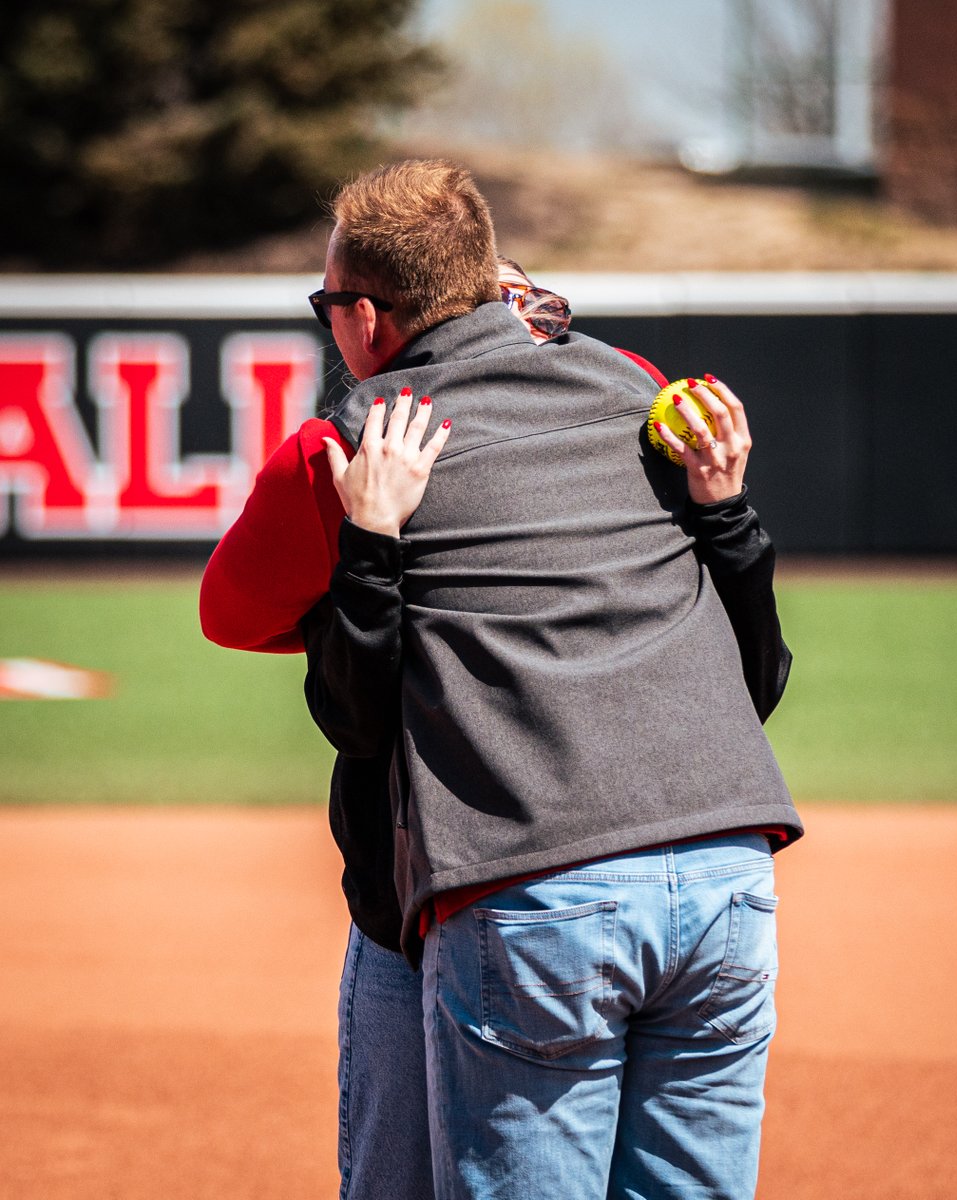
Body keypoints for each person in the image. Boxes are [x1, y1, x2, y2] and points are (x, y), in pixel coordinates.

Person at [302, 158, 802, 1200]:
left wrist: (372, 541)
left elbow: (350, 711)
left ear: (363, 316)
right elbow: (752, 682)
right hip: (726, 878)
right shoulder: (635, 393)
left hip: (536, 893)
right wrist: (727, 516)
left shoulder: (369, 431)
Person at [199, 253, 665, 1200]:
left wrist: (380, 586)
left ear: (373, 318)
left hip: (460, 889)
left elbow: (239, 620)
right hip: (688, 857)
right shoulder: (637, 395)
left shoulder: (349, 444)